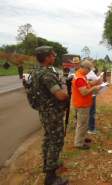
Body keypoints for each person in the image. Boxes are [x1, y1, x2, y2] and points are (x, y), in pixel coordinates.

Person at [34, 46, 69, 185]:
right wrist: (65, 88)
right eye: (53, 55)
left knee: (48, 139)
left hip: (44, 112)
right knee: (56, 141)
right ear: (47, 57)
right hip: (52, 113)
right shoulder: (47, 75)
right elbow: (61, 96)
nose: (54, 57)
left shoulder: (36, 72)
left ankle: (48, 164)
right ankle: (51, 178)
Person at [71, 60, 101, 149]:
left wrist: (95, 82)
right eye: (88, 69)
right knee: (82, 124)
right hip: (82, 105)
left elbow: (87, 84)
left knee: (83, 123)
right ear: (83, 67)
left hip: (82, 104)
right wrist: (94, 88)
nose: (89, 71)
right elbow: (84, 92)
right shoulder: (79, 78)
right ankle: (79, 143)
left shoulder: (81, 75)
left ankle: (82, 138)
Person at [86, 61, 102, 134]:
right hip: (91, 94)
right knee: (91, 112)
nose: (93, 65)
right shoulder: (89, 73)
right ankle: (91, 129)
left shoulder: (88, 72)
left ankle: (88, 127)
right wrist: (98, 80)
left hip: (90, 94)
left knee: (89, 111)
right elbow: (90, 82)